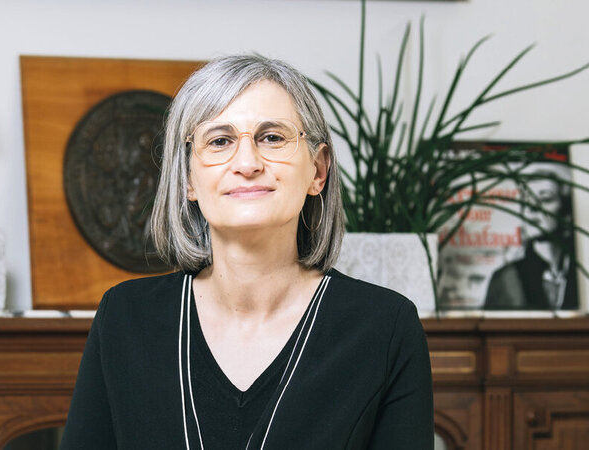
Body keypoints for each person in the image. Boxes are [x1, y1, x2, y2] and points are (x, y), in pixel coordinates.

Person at [60, 54, 434, 449]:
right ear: (188, 179)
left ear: (318, 170)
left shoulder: (386, 327)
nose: (247, 163)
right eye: (219, 141)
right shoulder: (124, 318)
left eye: (272, 137)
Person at [485, 164, 578, 310]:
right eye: (526, 200)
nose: (531, 207)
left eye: (545, 198)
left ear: (567, 212)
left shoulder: (579, 272)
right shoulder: (506, 279)